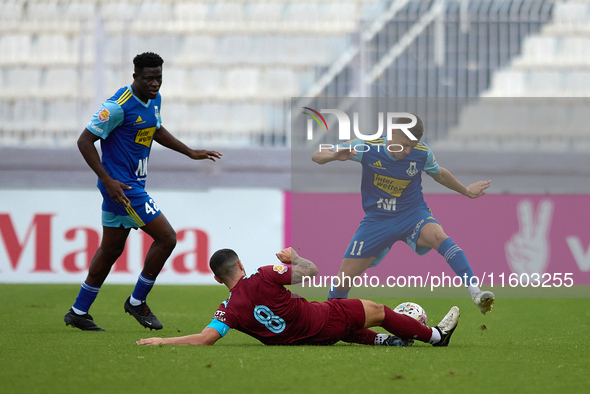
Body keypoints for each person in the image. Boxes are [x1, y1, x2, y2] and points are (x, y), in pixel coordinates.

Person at [64, 52, 222, 331]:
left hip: (128, 185)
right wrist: (107, 179)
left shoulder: (154, 100)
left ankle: (78, 311)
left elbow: (154, 129)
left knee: (111, 249)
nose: (155, 83)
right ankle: (137, 302)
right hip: (123, 187)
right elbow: (84, 141)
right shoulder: (117, 107)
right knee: (167, 238)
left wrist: (189, 152)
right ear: (135, 76)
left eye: (159, 78)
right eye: (149, 78)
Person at [311, 114, 495, 314]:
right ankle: (330, 317)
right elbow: (317, 156)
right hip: (378, 220)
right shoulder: (367, 147)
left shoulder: (422, 153)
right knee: (345, 277)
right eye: (404, 144)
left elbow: (440, 174)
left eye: (412, 146)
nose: (407, 151)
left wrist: (466, 191)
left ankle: (476, 292)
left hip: (412, 213)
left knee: (439, 237)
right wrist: (333, 155)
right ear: (392, 133)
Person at [136, 247, 460, 347]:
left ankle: (386, 342)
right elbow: (313, 271)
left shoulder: (227, 310)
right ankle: (435, 336)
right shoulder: (263, 274)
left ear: (218, 278)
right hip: (320, 321)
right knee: (374, 309)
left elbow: (205, 339)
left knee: (346, 324)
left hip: (304, 340)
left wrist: (163, 342)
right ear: (241, 265)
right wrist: (293, 259)